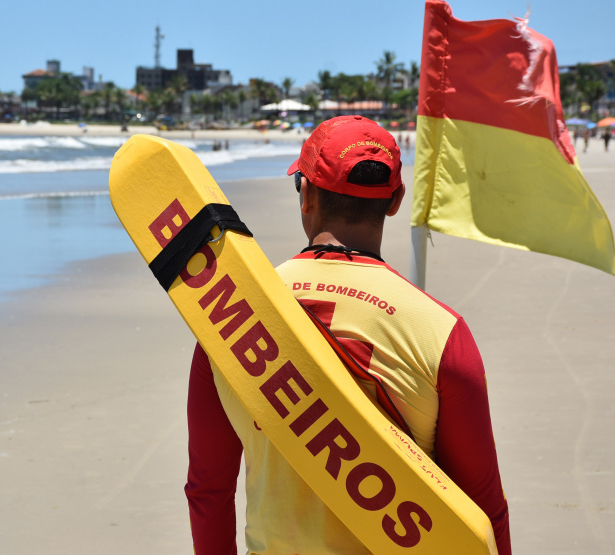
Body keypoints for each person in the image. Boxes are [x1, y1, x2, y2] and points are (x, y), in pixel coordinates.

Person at [185, 115, 511, 555]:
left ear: (306, 194)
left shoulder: (229, 317)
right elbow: (483, 511)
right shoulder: (440, 332)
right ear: (395, 200)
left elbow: (208, 490)